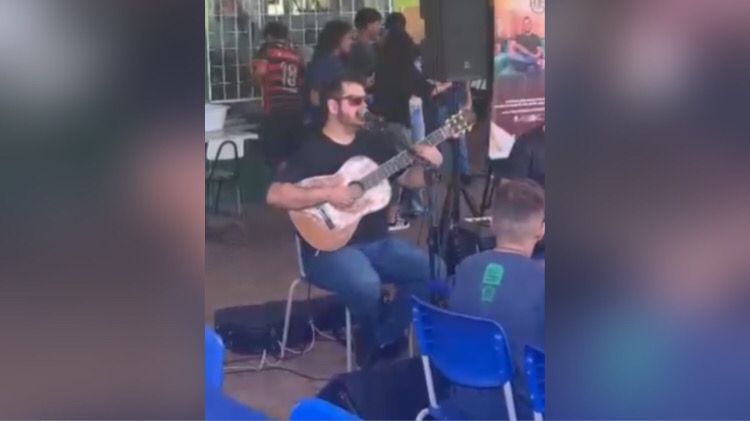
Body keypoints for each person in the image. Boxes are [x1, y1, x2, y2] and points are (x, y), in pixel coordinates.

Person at [266, 74, 443, 367]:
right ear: (333, 107)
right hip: (328, 249)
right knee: (364, 283)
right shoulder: (311, 148)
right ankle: (373, 331)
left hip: (379, 243)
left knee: (434, 269)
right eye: (355, 101)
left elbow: (410, 181)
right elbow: (275, 195)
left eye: (366, 100)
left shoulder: (377, 142)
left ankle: (381, 333)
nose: (364, 106)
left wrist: (428, 166)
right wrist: (329, 194)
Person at [448, 179, 544, 419]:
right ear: (541, 230)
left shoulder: (465, 268)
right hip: (526, 408)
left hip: (464, 400)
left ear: (491, 224)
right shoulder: (542, 282)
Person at [372, 26, 451, 228]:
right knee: (401, 170)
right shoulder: (406, 68)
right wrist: (448, 84)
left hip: (378, 122)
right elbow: (428, 90)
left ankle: (385, 212)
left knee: (384, 169)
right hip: (399, 122)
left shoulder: (381, 64)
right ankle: (393, 216)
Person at [251, 21, 305, 171]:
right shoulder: (296, 55)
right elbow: (301, 82)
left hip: (275, 110)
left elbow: (260, 73)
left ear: (268, 36)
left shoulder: (266, 50)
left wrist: (256, 82)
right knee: (292, 156)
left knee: (276, 158)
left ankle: (278, 188)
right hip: (296, 110)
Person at [305, 20, 355, 128]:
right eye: (349, 38)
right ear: (339, 39)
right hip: (325, 120)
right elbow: (314, 95)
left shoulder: (336, 61)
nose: (352, 42)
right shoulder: (325, 62)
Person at [349, 8, 382, 83]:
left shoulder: (351, 47)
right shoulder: (365, 50)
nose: (379, 28)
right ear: (369, 26)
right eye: (378, 24)